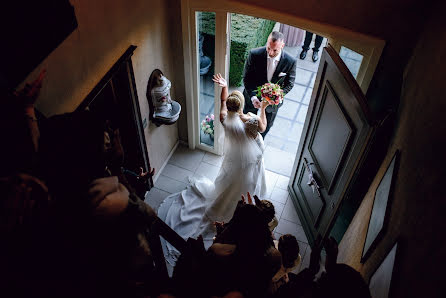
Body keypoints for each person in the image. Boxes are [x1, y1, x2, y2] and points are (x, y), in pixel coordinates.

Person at [158, 74, 270, 266]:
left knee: (231, 185)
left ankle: (232, 204)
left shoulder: (224, 119)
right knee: (248, 186)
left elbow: (222, 101)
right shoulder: (251, 121)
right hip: (251, 165)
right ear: (242, 105)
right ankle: (244, 206)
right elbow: (264, 125)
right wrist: (263, 108)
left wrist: (224, 87)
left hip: (234, 163)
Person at [243, 31, 297, 138]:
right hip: (252, 96)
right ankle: (246, 140)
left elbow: (289, 84)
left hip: (273, 103)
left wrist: (277, 96)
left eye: (275, 50)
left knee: (266, 126)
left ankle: (259, 142)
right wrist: (253, 97)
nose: (271, 53)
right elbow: (247, 78)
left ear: (282, 46)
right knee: (247, 121)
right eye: (268, 48)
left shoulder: (291, 61)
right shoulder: (254, 54)